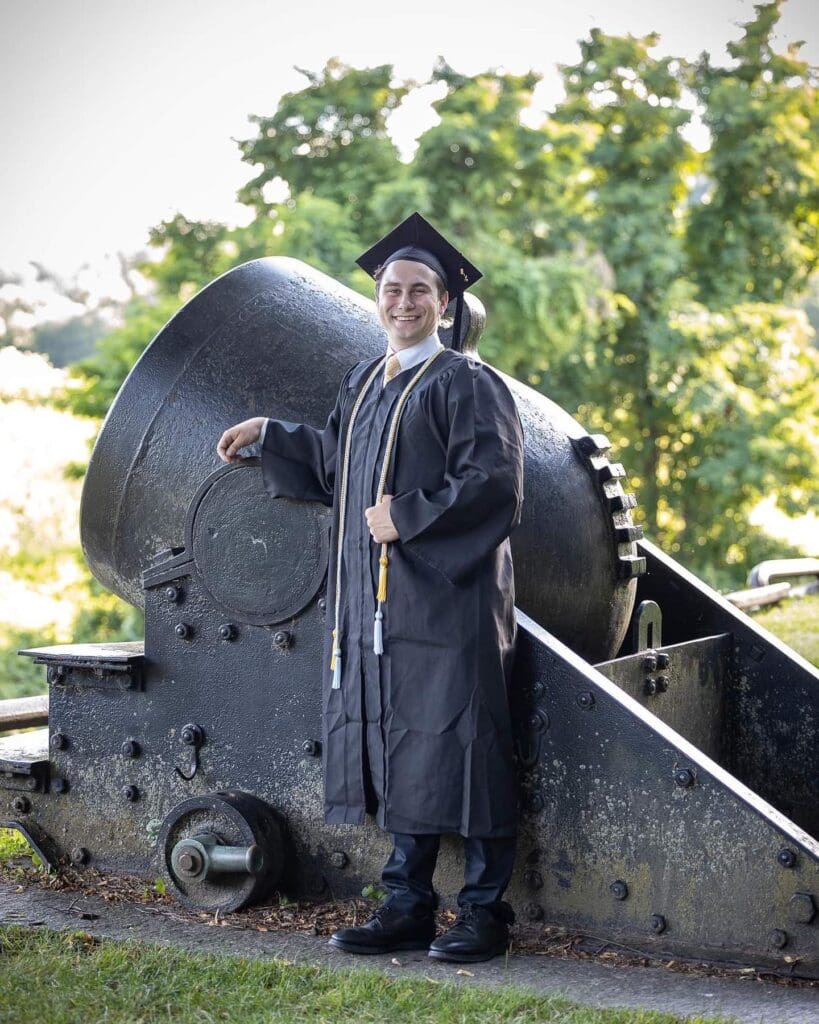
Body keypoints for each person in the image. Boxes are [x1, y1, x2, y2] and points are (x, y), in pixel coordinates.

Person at [216, 213, 524, 962]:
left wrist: (407, 517)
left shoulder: (465, 383)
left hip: (446, 603)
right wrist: (268, 433)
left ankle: (484, 914)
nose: (403, 302)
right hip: (375, 606)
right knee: (399, 748)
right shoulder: (363, 380)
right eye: (392, 289)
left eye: (420, 290)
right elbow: (337, 462)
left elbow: (492, 485)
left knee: (468, 742)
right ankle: (406, 906)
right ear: (377, 299)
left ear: (445, 304)